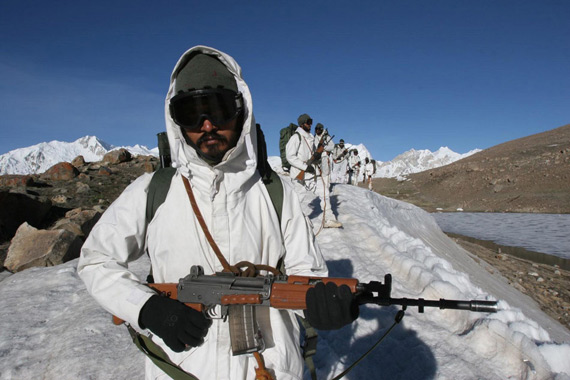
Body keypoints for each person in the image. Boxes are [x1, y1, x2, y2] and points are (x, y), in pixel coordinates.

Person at [77, 46, 357, 380]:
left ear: (241, 111)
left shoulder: (276, 192)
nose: (206, 125)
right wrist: (147, 308)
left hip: (270, 370)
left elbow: (306, 273)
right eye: (190, 113)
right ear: (175, 120)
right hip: (179, 369)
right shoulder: (152, 191)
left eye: (219, 108)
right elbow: (96, 261)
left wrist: (320, 308)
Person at [286, 116, 341, 228]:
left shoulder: (311, 138)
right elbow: (290, 156)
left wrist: (318, 155)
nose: (310, 125)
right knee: (298, 199)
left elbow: (312, 155)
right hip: (299, 173)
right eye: (308, 122)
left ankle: (328, 219)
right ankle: (292, 224)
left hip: (311, 173)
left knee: (324, 192)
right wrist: (305, 167)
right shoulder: (296, 137)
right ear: (302, 124)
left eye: (311, 122)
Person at [313, 123, 342, 228]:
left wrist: (323, 149)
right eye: (315, 129)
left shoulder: (326, 137)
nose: (317, 130)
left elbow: (332, 146)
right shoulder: (313, 138)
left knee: (326, 181)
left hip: (324, 159)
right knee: (321, 184)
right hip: (317, 161)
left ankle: (328, 216)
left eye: (318, 129)